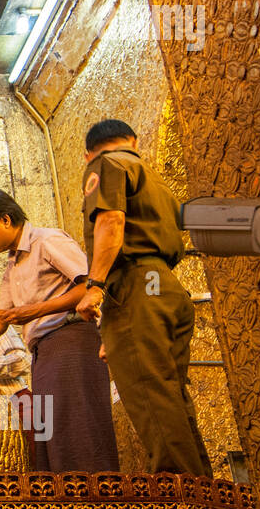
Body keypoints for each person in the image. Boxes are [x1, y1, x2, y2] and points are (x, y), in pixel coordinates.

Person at [75, 119, 212, 476]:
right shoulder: (157, 181)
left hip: (136, 287)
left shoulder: (105, 165)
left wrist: (95, 286)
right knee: (171, 395)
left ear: (88, 152)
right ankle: (202, 491)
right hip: (168, 287)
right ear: (133, 140)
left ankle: (180, 499)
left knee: (150, 396)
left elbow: (111, 222)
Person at [0, 188, 119, 472]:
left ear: (5, 219)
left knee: (79, 425)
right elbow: (0, 321)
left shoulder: (47, 240)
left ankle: (96, 502)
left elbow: (90, 284)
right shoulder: (13, 265)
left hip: (71, 340)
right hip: (44, 351)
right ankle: (68, 505)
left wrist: (35, 311)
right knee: (53, 433)